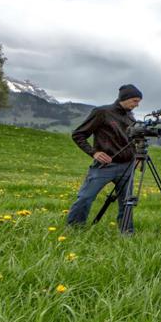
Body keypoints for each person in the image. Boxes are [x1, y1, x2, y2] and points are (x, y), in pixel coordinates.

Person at [65, 84, 143, 234]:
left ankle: (127, 233)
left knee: (127, 203)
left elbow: (135, 139)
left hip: (127, 166)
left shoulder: (130, 116)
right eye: (134, 101)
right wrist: (93, 153)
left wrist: (138, 155)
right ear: (124, 98)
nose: (137, 105)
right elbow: (78, 135)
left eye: (138, 101)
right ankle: (73, 230)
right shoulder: (102, 112)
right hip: (105, 167)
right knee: (85, 198)